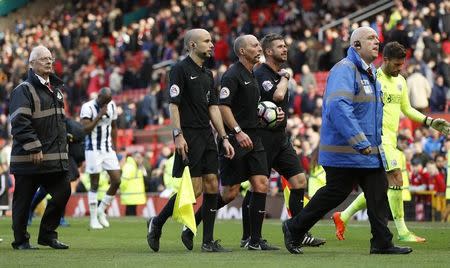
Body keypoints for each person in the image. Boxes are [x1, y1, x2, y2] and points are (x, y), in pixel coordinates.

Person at [281, 27, 412, 255]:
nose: (377, 41)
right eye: (370, 38)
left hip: (367, 152)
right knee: (335, 193)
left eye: (377, 38)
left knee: (377, 192)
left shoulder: (369, 73)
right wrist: (360, 141)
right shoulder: (344, 69)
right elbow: (338, 107)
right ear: (356, 45)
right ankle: (293, 227)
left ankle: (381, 242)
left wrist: (376, 148)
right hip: (346, 151)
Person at [333, 42, 450, 243]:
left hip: (391, 140)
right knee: (396, 178)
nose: (399, 69)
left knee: (382, 185)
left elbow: (407, 108)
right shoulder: (373, 79)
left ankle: (343, 216)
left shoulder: (401, 82)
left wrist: (429, 121)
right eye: (396, 65)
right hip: (377, 138)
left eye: (401, 65)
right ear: (384, 60)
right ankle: (403, 232)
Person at [146, 28, 234, 253]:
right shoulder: (179, 70)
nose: (212, 44)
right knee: (194, 190)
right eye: (207, 41)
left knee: (213, 184)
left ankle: (207, 241)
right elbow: (173, 105)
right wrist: (178, 135)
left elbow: (213, 108)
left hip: (207, 134)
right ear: (192, 45)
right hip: (189, 134)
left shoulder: (208, 74)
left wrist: (223, 137)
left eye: (212, 40)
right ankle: (157, 222)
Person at [250, 33, 325, 247]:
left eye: (285, 46)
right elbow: (277, 97)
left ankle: (298, 232)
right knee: (259, 186)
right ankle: (253, 239)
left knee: (299, 181)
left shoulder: (277, 73)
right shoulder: (262, 73)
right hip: (263, 139)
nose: (285, 49)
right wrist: (285, 78)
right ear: (268, 52)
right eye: (280, 47)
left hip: (281, 138)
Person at [9, 45, 71, 249]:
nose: (49, 61)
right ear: (32, 64)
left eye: (50, 58)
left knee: (63, 191)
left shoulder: (57, 91)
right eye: (43, 58)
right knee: (23, 201)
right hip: (28, 159)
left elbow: (57, 123)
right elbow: (19, 122)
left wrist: (69, 136)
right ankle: (20, 241)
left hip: (53, 158)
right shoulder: (23, 90)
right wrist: (34, 147)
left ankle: (47, 235)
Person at [80, 87, 121, 229]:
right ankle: (93, 219)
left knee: (116, 180)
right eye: (104, 101)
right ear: (99, 97)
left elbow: (114, 126)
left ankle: (101, 209)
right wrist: (99, 115)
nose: (106, 104)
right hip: (93, 150)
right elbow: (85, 130)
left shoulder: (112, 105)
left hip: (108, 149)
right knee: (94, 183)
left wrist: (115, 146)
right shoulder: (87, 107)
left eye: (108, 102)